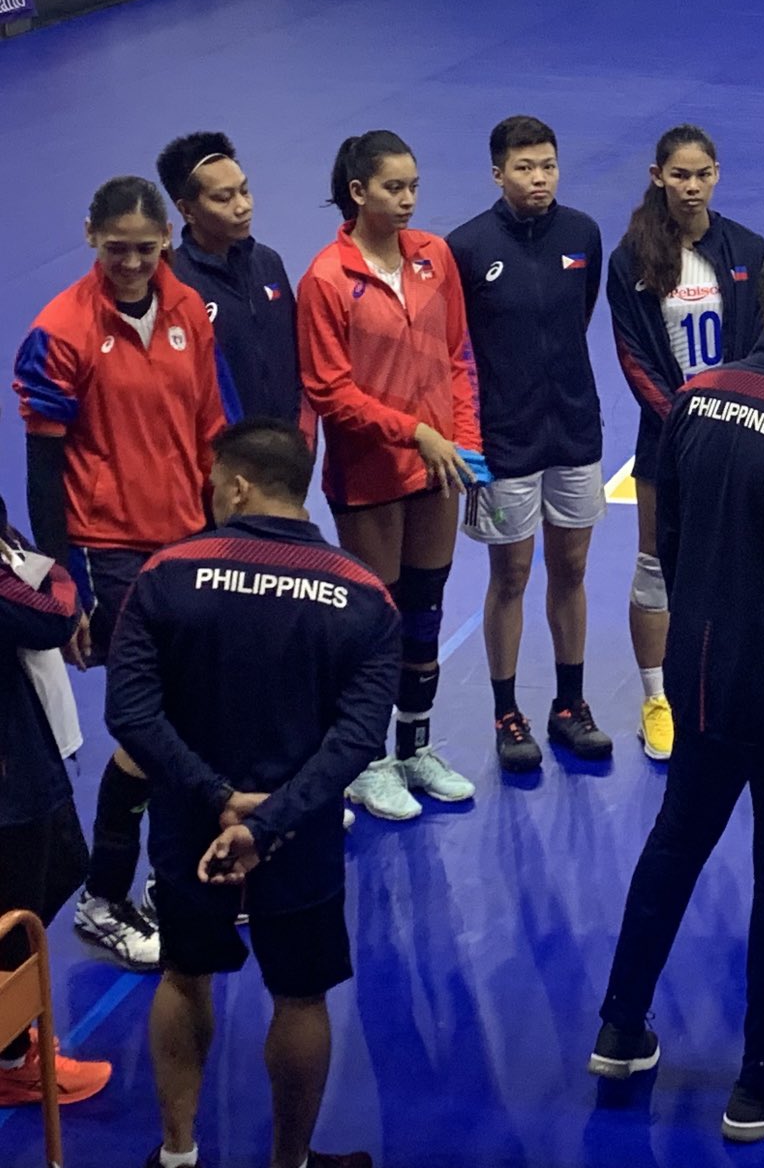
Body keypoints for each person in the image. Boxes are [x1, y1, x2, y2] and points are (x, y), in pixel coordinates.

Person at [589, 242, 764, 1143]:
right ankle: (762, 1082)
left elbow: (668, 534)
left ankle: (620, 1030)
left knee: (674, 846)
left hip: (700, 666)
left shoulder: (696, 397)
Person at [105, 419, 399, 1168]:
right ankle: (290, 1164)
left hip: (190, 829)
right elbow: (358, 740)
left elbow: (130, 713)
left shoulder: (165, 576)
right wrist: (269, 823)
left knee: (183, 971)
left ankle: (177, 1154)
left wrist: (215, 797)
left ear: (236, 484)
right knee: (300, 996)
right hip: (298, 835)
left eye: (212, 481)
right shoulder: (364, 597)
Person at [13, 175, 228, 969]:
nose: (133, 263)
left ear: (168, 238)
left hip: (188, 539)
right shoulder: (59, 332)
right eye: (117, 249)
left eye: (146, 247)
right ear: (90, 236)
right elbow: (45, 469)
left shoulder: (185, 314)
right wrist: (63, 583)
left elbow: (211, 424)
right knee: (147, 726)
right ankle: (105, 896)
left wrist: (223, 530)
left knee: (182, 718)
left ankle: (170, 880)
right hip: (110, 551)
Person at [297, 131, 481, 823]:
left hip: (438, 463)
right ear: (357, 192)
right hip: (371, 471)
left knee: (425, 610)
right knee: (374, 621)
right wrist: (417, 433)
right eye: (392, 188)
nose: (407, 200)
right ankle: (364, 764)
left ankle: (415, 749)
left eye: (412, 187)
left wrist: (465, 444)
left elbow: (458, 356)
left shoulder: (435, 256)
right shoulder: (326, 278)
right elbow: (329, 390)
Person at [447, 115, 613, 773]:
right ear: (497, 173)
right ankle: (506, 711)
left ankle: (569, 705)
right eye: (524, 167)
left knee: (570, 570)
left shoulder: (583, 234)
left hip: (574, 429)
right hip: (505, 439)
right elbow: (459, 348)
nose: (538, 178)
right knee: (510, 575)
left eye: (547, 165)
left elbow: (581, 314)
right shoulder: (466, 248)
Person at [607, 124, 764, 761]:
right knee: (655, 566)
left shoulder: (747, 249)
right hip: (669, 437)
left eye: (702, 174)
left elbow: (759, 343)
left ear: (718, 175)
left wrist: (731, 414)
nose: (691, 186)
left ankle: (731, 686)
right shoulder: (632, 257)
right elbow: (632, 352)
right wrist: (683, 421)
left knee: (738, 560)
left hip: (736, 430)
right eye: (679, 175)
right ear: (658, 177)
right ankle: (657, 699)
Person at [0, 495, 111, 1108]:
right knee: (15, 906)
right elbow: (48, 611)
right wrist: (63, 577)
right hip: (10, 769)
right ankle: (12, 1057)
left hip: (26, 745)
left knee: (63, 863)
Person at [156, 131, 303, 427]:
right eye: (223, 198)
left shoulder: (268, 262)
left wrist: (305, 430)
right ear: (187, 210)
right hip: (226, 456)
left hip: (288, 445)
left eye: (244, 191)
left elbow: (296, 354)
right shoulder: (173, 285)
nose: (242, 206)